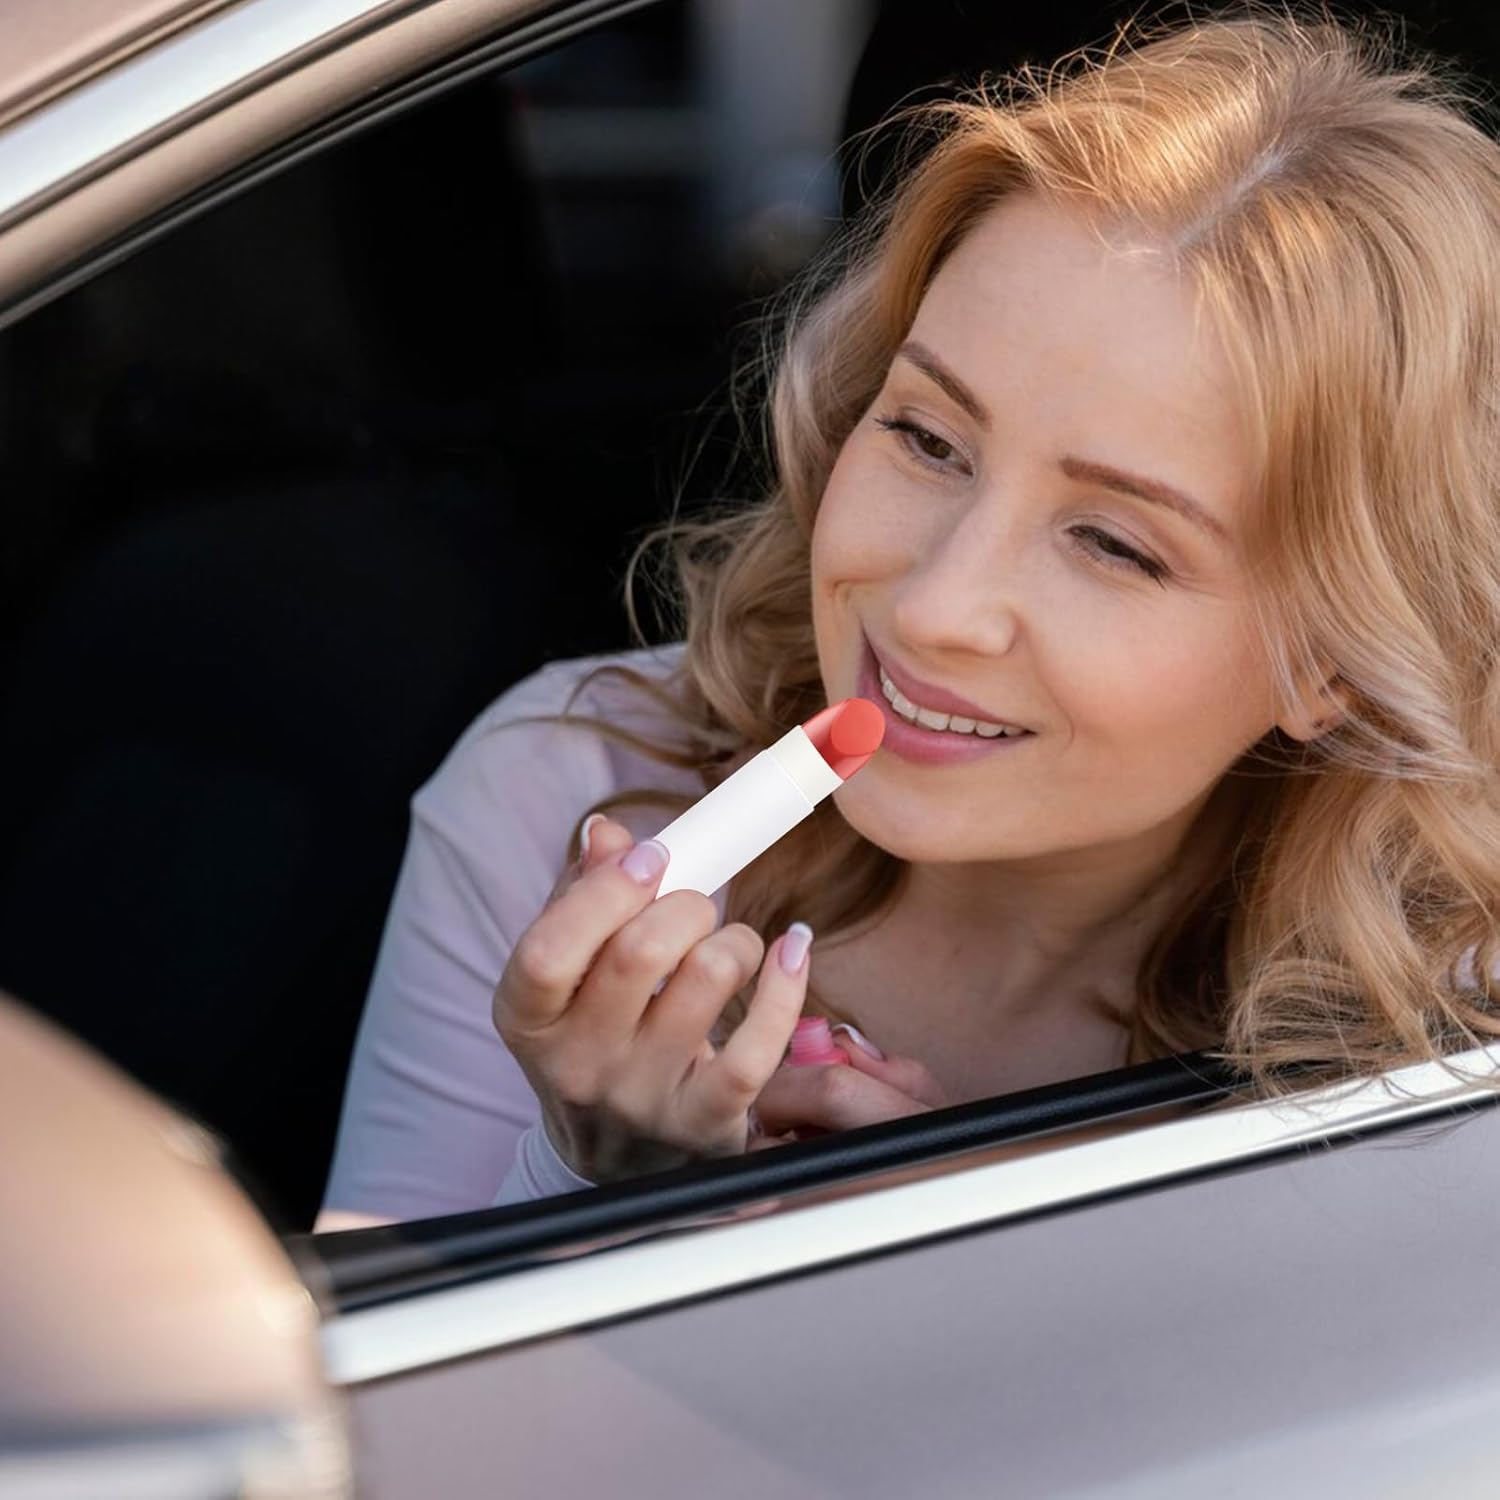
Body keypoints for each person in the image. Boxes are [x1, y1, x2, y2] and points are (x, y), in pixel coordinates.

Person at [316, 8, 1500, 1229]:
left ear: (1336, 662)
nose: (933, 610)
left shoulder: (1452, 1025)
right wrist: (592, 1185)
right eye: (929, 440)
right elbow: (366, 1349)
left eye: (1114, 544)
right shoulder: (575, 785)